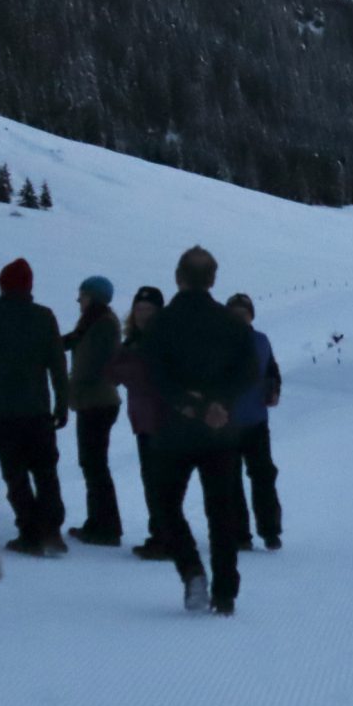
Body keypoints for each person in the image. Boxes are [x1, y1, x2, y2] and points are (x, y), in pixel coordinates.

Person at [143, 247, 257, 614]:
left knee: (165, 506)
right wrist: (220, 403)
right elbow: (249, 371)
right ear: (212, 280)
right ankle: (225, 594)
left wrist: (185, 402)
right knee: (222, 512)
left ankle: (191, 570)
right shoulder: (232, 324)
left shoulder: (162, 322)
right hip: (220, 430)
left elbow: (154, 372)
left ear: (178, 277)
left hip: (173, 431)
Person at [0, 258, 69, 557]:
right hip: (37, 409)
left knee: (15, 473)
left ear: (2, 285)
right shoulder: (45, 317)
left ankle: (30, 533)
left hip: (1, 409)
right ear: (29, 287)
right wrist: (62, 402)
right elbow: (58, 364)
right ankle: (52, 532)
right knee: (46, 470)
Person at [112, 285, 174, 561]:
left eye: (149, 309)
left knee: (161, 482)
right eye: (139, 309)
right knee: (152, 481)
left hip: (165, 421)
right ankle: (160, 534)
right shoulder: (132, 342)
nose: (143, 314)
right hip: (143, 420)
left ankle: (166, 538)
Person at [63, 276, 123, 546]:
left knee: (94, 465)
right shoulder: (94, 323)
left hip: (97, 402)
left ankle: (106, 528)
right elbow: (73, 342)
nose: (79, 300)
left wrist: (70, 386)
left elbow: (92, 365)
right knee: (92, 464)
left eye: (83, 294)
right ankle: (97, 522)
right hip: (93, 401)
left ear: (94, 297)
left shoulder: (103, 325)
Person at [224, 292, 284, 552]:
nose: (239, 316)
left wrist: (274, 390)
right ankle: (248, 534)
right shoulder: (219, 342)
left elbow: (272, 371)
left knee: (258, 476)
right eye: (235, 312)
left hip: (250, 421)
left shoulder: (260, 341)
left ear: (250, 315)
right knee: (239, 479)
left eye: (243, 312)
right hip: (231, 422)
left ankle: (264, 532)